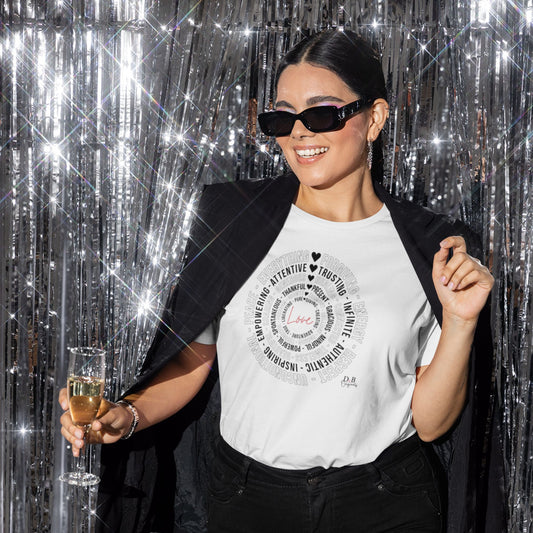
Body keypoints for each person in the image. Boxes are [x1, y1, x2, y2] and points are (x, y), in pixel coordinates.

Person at [59, 29, 503, 532]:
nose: (299, 133)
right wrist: (126, 416)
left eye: (321, 114)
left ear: (375, 118)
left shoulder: (431, 246)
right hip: (247, 500)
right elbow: (191, 360)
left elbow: (432, 423)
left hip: (384, 502)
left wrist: (461, 322)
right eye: (282, 117)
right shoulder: (231, 220)